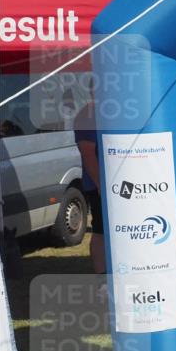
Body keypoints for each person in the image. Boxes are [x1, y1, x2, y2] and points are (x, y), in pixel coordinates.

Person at [73, 102, 105, 274]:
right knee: (101, 230)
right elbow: (87, 153)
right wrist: (100, 184)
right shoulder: (88, 114)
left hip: (122, 185)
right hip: (99, 185)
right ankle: (102, 277)